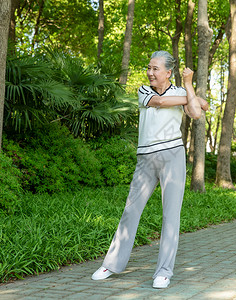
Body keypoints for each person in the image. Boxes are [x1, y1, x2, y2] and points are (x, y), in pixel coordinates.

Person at [91, 50, 208, 289]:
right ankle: (111, 264)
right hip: (145, 158)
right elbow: (168, 103)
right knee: (130, 211)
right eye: (149, 68)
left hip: (173, 157)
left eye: (155, 69)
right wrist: (192, 97)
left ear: (168, 72)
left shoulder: (180, 90)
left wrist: (187, 85)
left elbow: (196, 113)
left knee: (171, 216)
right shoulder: (144, 91)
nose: (150, 72)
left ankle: (164, 271)